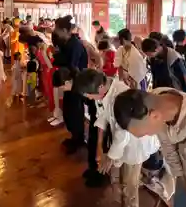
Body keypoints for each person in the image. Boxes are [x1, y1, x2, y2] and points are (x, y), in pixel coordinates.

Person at [72, 69, 171, 205]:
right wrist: (99, 146)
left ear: (100, 87)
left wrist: (110, 157)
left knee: (130, 183)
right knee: (116, 178)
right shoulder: (102, 91)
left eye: (89, 95)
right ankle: (120, 201)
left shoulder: (121, 94)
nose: (89, 98)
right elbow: (103, 116)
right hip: (118, 143)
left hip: (135, 143)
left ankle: (131, 203)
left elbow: (122, 133)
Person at [53, 16, 88, 154]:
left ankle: (78, 139)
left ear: (65, 30)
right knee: (68, 109)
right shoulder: (66, 42)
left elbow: (73, 66)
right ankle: (74, 136)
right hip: (70, 82)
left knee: (75, 111)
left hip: (76, 82)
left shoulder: (75, 45)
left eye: (57, 29)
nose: (55, 31)